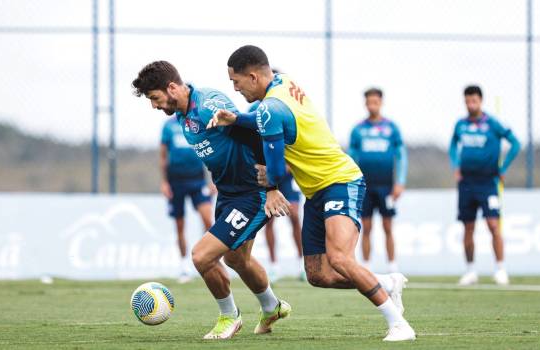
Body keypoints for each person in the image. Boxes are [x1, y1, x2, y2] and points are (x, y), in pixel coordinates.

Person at [209, 45, 416, 342]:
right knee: (319, 274)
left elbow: (276, 171)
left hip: (341, 181)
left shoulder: (269, 108)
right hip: (316, 191)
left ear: (253, 77)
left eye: (236, 81)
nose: (235, 88)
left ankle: (399, 325)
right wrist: (238, 119)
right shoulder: (284, 82)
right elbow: (270, 120)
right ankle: (386, 282)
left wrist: (269, 186)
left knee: (341, 259)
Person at [132, 61, 292, 339]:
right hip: (228, 194)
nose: (155, 106)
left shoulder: (207, 105)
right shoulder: (182, 116)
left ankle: (230, 317)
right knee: (236, 259)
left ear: (172, 88)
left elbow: (254, 132)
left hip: (251, 194)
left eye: (155, 99)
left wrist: (271, 186)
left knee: (202, 256)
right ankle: (272, 307)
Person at [449, 85, 520, 286]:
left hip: (488, 182)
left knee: (493, 225)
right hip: (466, 183)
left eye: (474, 100)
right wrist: (455, 166)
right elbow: (453, 145)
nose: (471, 104)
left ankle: (500, 269)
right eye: (468, 100)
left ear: (481, 101)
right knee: (468, 227)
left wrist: (503, 167)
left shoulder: (492, 124)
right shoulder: (460, 125)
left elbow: (515, 143)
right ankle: (471, 270)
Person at [348, 88, 407, 273]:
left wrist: (400, 182)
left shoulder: (391, 128)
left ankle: (392, 266)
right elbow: (352, 158)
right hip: (365, 187)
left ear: (381, 102)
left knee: (388, 226)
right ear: (365, 104)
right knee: (366, 226)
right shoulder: (358, 130)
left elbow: (401, 156)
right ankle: (366, 266)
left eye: (376, 102)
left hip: (386, 186)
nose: (372, 105)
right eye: (369, 102)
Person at [249, 99, 304, 282]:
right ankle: (273, 266)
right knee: (269, 219)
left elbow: (294, 145)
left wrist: (281, 168)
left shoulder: (285, 109)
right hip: (266, 176)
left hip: (286, 177)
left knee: (295, 216)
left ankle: (301, 262)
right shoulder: (253, 111)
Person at [160, 116, 214, 283]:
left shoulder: (197, 123)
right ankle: (184, 266)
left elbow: (210, 152)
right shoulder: (168, 126)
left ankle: (210, 261)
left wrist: (213, 180)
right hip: (176, 181)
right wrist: (164, 182)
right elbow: (163, 156)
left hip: (197, 179)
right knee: (180, 225)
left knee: (207, 219)